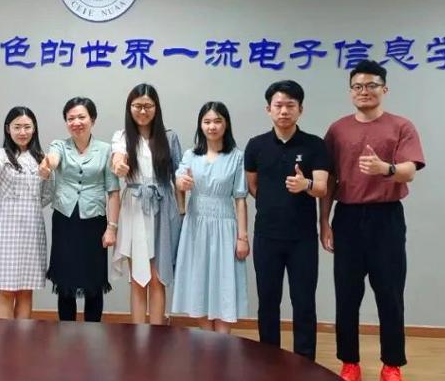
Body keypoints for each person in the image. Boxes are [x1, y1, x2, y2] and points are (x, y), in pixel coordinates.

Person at [320, 59, 425, 381]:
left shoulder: (401, 126)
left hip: (386, 218)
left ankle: (391, 368)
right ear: (350, 91)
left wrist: (385, 169)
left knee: (390, 295)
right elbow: (329, 180)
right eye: (357, 86)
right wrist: (324, 221)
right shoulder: (337, 130)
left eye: (371, 85)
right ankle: (349, 363)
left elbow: (409, 171)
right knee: (347, 295)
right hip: (347, 218)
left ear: (384, 89)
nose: (364, 91)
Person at [244, 80, 329, 361]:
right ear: (268, 109)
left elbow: (322, 188)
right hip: (266, 236)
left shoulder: (315, 145)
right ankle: (270, 360)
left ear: (300, 109)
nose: (284, 111)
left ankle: (305, 361)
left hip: (302, 238)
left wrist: (305, 185)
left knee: (303, 301)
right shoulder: (256, 146)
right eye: (278, 105)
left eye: (290, 106)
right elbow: (253, 185)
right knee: (268, 301)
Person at [39, 97, 120, 322]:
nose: (76, 122)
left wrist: (112, 228)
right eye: (71, 118)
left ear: (92, 119)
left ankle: (93, 329)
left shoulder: (106, 150)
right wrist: (47, 165)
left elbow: (113, 192)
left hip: (94, 221)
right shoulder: (59, 145)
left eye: (81, 117)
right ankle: (66, 330)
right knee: (65, 280)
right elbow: (53, 159)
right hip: (65, 220)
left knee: (94, 280)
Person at [171, 101, 249, 333]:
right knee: (199, 281)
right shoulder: (190, 155)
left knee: (224, 282)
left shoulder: (237, 157)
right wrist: (181, 183)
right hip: (196, 225)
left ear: (226, 124)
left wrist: (243, 237)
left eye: (217, 121)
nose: (212, 126)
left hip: (225, 226)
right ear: (200, 125)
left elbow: (240, 198)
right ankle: (207, 339)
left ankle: (223, 341)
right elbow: (179, 180)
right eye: (207, 122)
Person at [110, 84, 183, 325]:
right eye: (137, 106)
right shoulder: (122, 136)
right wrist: (119, 166)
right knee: (138, 278)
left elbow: (178, 176)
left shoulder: (169, 137)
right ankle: (138, 334)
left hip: (163, 206)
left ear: (156, 108)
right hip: (134, 206)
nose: (143, 111)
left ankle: (157, 335)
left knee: (158, 276)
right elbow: (117, 158)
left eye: (148, 106)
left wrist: (182, 212)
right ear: (129, 108)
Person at [0, 107, 51, 319]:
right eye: (17, 127)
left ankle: (22, 337)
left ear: (34, 129)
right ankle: (5, 338)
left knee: (26, 289)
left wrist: (43, 181)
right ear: (8, 129)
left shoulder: (42, 158)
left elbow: (48, 194)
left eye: (27, 127)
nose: (22, 132)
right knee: (6, 289)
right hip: (6, 228)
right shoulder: (0, 154)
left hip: (32, 228)